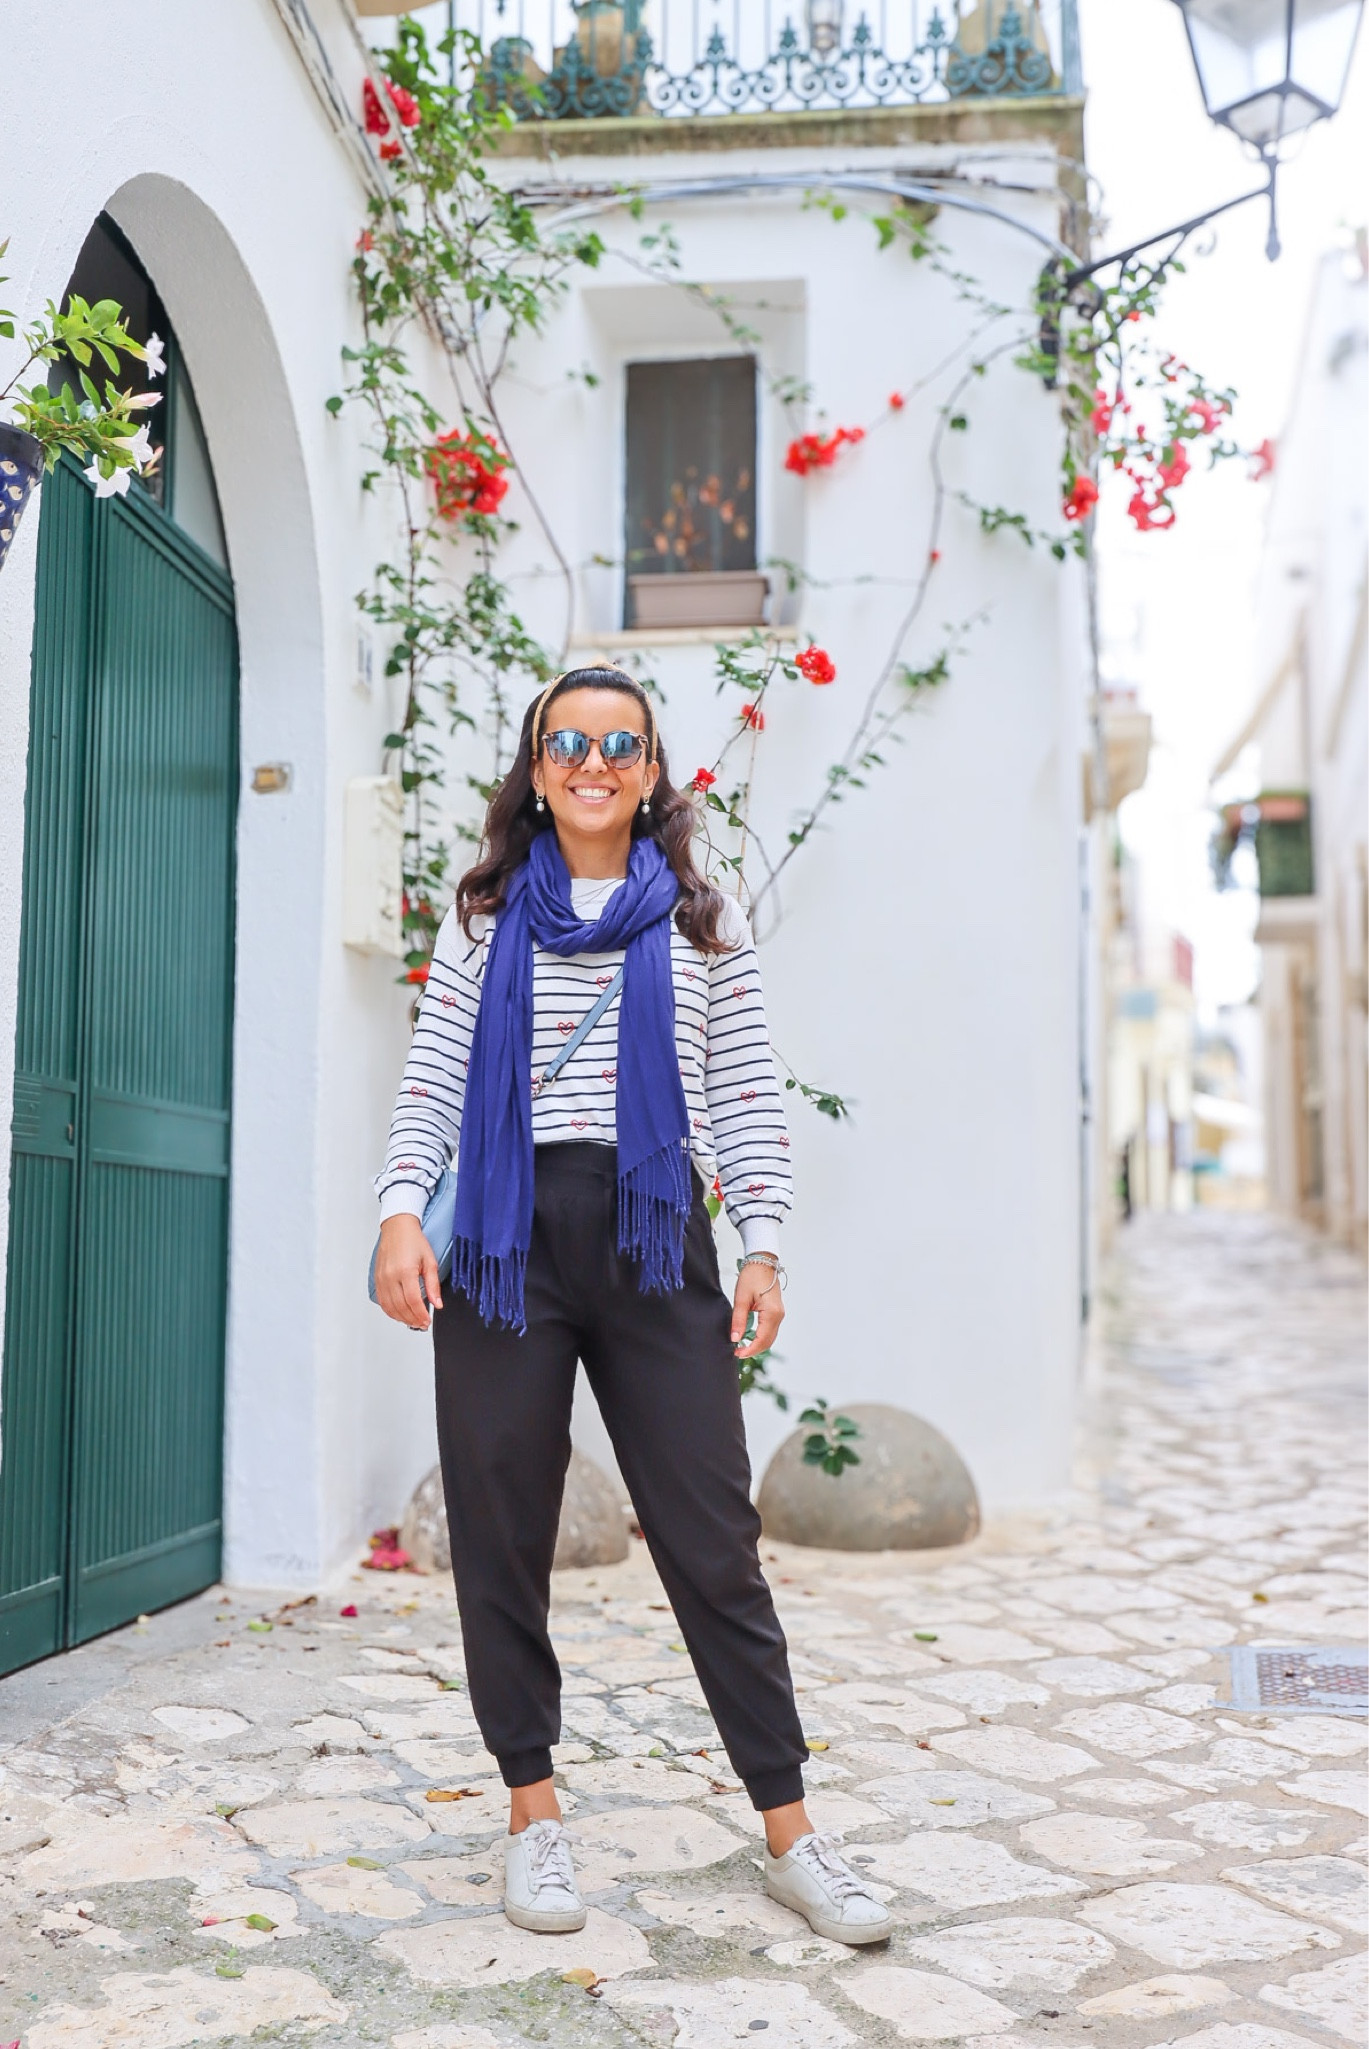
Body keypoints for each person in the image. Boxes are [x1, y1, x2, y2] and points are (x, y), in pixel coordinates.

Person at [373, 666, 890, 1947]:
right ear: (535, 769)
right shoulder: (484, 918)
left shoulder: (702, 925)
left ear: (653, 772)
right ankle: (534, 1819)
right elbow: (435, 1076)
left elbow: (747, 1097)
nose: (593, 761)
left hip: (655, 1238)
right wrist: (395, 1209)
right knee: (500, 1529)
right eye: (567, 742)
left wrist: (762, 1244)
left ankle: (793, 1832)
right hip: (501, 1246)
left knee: (711, 1534)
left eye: (620, 743)